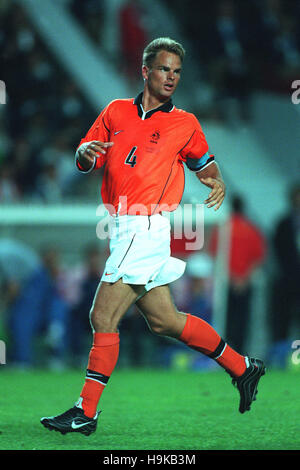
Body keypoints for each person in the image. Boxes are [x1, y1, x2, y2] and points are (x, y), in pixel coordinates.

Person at [41, 37, 266, 436]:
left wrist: (216, 184)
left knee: (102, 316)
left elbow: (206, 168)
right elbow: (84, 154)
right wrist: (84, 155)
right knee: (164, 321)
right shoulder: (114, 111)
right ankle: (242, 367)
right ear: (146, 70)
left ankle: (85, 412)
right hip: (122, 226)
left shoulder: (185, 123)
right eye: (164, 69)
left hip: (145, 225)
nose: (171, 78)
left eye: (177, 72)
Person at [209, 194, 266, 353]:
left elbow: (216, 254)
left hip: (226, 282)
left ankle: (224, 353)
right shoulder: (252, 229)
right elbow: (258, 257)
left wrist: (232, 278)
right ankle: (241, 354)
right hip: (245, 283)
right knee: (243, 319)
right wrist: (243, 278)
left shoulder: (223, 228)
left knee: (225, 318)